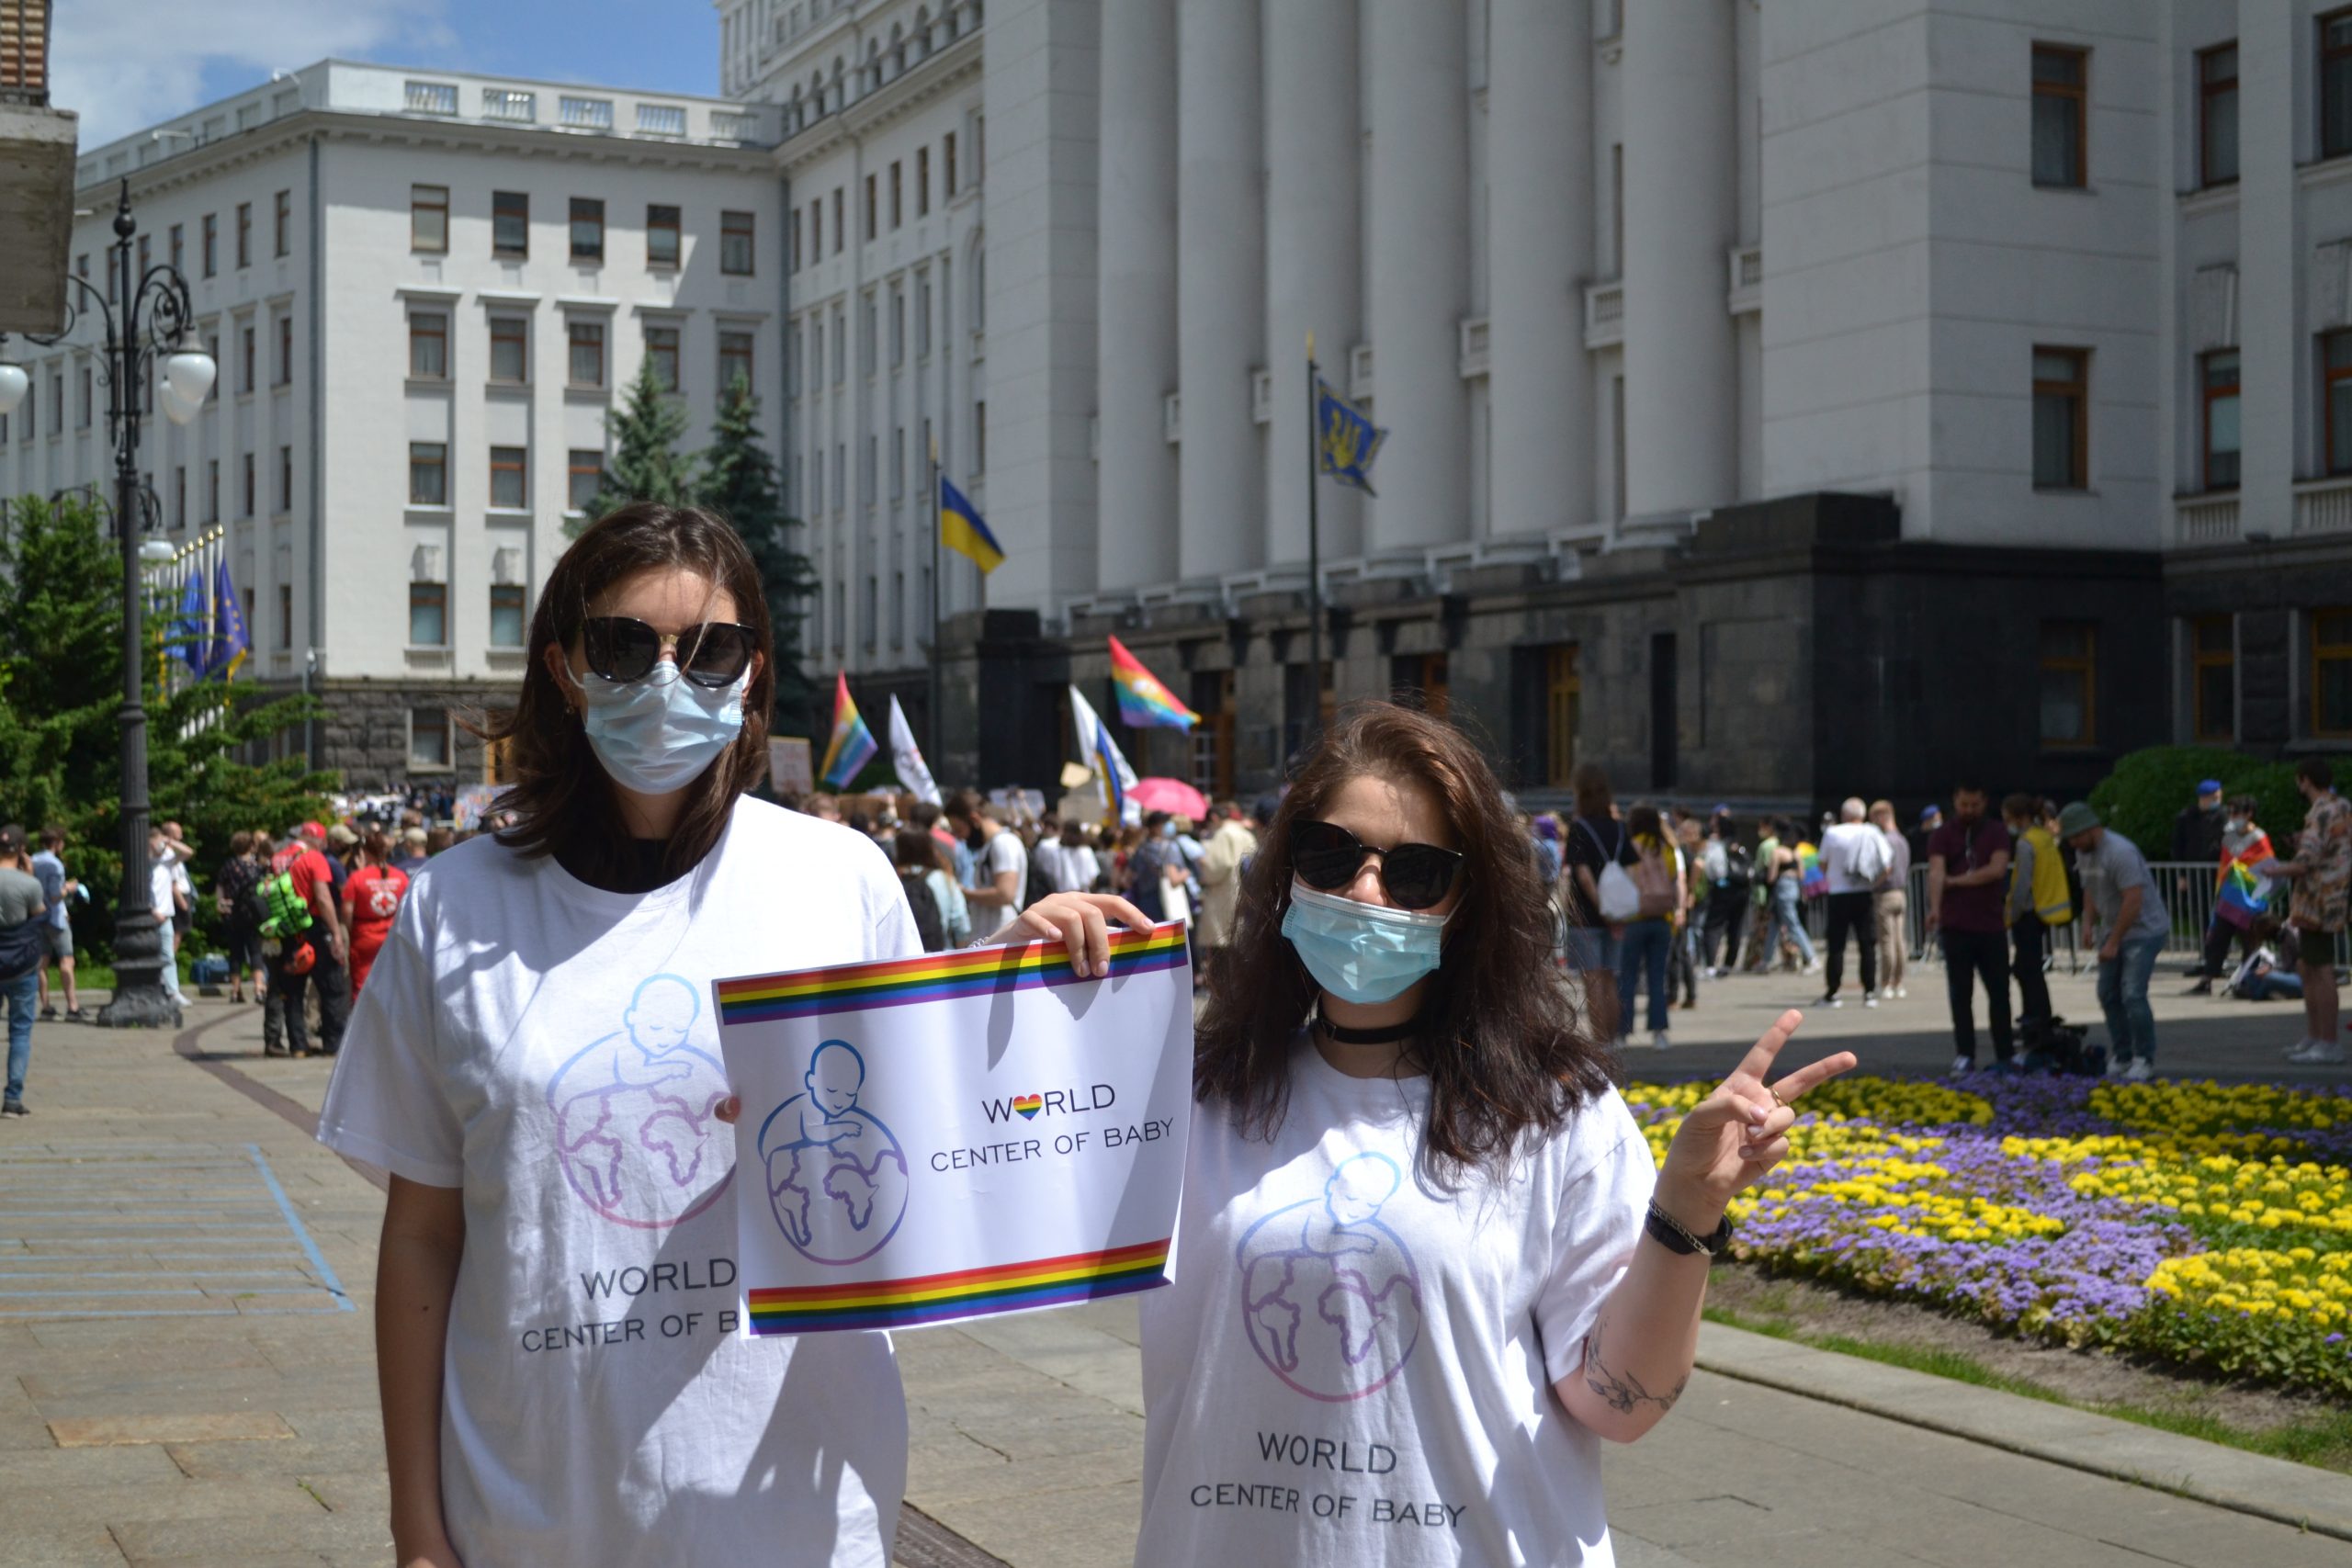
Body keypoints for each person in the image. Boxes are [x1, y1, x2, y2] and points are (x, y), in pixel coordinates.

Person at [958, 703, 1853, 1565]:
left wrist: (1686, 1213)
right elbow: (968, 1200)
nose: (1365, 889)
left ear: (1468, 903)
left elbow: (1618, 1403)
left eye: (1415, 871)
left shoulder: (1552, 1111)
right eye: (1330, 853)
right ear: (1285, 875)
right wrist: (990, 1005)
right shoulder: (1186, 1096)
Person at [317, 502, 935, 1567]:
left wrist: (1024, 989)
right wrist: (415, 1524)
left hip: (788, 1510)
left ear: (751, 671)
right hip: (531, 1508)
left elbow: (929, 1171)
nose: (667, 681)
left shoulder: (839, 883)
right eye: (623, 645)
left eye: (710, 651)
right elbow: (423, 1232)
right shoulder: (453, 909)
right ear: (563, 666)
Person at [2058, 802, 2168, 1083]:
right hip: (2113, 930)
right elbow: (2091, 890)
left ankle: (2144, 1057)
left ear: (2089, 829)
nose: (2072, 844)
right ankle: (2123, 1055)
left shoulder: (2120, 852)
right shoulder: (2085, 853)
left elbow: (2133, 900)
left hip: (2144, 930)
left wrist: (2114, 941)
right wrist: (2087, 924)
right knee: (2108, 992)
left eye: (2074, 838)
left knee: (2132, 993)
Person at [2259, 757, 2352, 1066]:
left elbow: (2307, 861)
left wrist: (2273, 871)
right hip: (2331, 897)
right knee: (2306, 966)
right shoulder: (2341, 806)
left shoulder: (2320, 812)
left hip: (2318, 899)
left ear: (2305, 780)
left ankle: (2327, 1042)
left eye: (2299, 780)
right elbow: (2330, 848)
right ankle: (2316, 1038)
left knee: (2320, 970)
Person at [1926, 783, 2015, 1075]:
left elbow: (1997, 870)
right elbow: (1937, 872)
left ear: (1984, 802)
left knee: (1999, 993)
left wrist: (1956, 881)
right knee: (1960, 994)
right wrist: (1935, 909)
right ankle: (1965, 1053)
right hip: (1955, 926)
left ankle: (2005, 1053)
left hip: (1990, 926)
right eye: (1964, 805)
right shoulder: (1942, 834)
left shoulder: (1997, 831)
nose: (1969, 810)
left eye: (1975, 805)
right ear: (1955, 801)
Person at [261, 823, 348, 1058]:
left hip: (287, 929)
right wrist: (336, 932)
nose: (324, 845)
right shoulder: (314, 858)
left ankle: (298, 1045)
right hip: (315, 926)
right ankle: (334, 1043)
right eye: (322, 841)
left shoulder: (278, 858)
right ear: (315, 839)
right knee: (332, 987)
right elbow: (322, 897)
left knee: (292, 990)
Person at [1562, 763, 1636, 1032]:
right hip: (1617, 914)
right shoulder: (1618, 827)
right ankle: (1613, 1041)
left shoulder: (1579, 828)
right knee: (1609, 979)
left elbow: (1582, 874)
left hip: (1587, 915)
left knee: (1591, 979)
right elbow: (1629, 870)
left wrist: (1601, 907)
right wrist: (1618, 909)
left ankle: (1601, 1044)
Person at [2187, 795, 2273, 996]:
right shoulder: (2229, 835)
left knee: (2249, 941)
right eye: (2231, 812)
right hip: (2229, 896)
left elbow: (2264, 864)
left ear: (2249, 814)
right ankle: (2207, 979)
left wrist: (2240, 866)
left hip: (2250, 898)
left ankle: (2246, 980)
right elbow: (2225, 862)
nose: (2233, 817)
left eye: (2237, 813)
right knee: (2218, 938)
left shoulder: (2259, 837)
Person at [2003, 792, 2072, 1043]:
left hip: (2028, 912)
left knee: (2027, 969)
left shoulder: (2026, 842)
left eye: (2007, 817)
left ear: (2017, 817)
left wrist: (2012, 912)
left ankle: (2035, 1018)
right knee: (2028, 968)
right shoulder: (2044, 837)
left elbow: (2022, 883)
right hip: (2042, 910)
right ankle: (2037, 1016)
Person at [1614, 804, 1683, 1048]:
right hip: (1661, 919)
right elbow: (1674, 881)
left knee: (1628, 977)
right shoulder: (1666, 848)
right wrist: (1679, 909)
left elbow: (1624, 881)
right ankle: (1659, 1033)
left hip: (1635, 919)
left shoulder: (1631, 847)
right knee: (1657, 977)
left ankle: (1622, 1033)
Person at [1818, 798, 1887, 1008]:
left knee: (1836, 944)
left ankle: (1833, 992)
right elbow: (1887, 864)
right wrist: (1874, 884)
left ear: (1843, 814)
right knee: (1867, 944)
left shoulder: (1833, 833)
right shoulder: (1872, 832)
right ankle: (1869, 992)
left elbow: (1822, 863)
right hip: (1863, 893)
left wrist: (1833, 878)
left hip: (1838, 894)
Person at [0, 826, 46, 1116]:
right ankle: (12, 1099)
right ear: (21, 850)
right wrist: (29, 875)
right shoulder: (29, 885)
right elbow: (39, 917)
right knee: (19, 1031)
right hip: (20, 965)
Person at [340, 831, 411, 1000]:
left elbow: (347, 913)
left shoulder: (357, 879)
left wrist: (348, 935)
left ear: (364, 852)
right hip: (393, 936)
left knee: (362, 986)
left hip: (364, 938)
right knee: (393, 982)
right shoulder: (401, 877)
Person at [1194, 801, 1257, 991]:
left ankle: (1221, 984)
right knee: (1239, 939)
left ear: (1214, 818)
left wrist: (1203, 871)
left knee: (1220, 941)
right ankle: (1240, 982)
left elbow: (1216, 866)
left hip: (1223, 892)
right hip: (1244, 890)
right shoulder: (1245, 833)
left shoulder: (1222, 834)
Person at [29, 826, 81, 1021]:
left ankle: (46, 1005)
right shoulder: (55, 865)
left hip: (37, 917)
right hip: (56, 919)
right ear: (57, 843)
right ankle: (72, 1006)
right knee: (67, 960)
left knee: (41, 962)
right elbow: (55, 895)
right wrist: (68, 888)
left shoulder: (33, 860)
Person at [955, 791, 1029, 928]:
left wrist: (965, 893)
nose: (960, 837)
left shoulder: (1003, 843)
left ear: (975, 819)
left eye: (959, 830)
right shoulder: (992, 844)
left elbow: (1005, 893)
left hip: (1000, 935)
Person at [213, 830, 266, 1006]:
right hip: (252, 915)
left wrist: (221, 904)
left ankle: (235, 991)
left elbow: (220, 888)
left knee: (235, 953)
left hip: (233, 914)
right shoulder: (256, 867)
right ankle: (259, 987)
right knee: (255, 951)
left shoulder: (228, 866)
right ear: (251, 846)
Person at [1868, 800, 1911, 999]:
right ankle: (1899, 982)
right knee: (1899, 941)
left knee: (1887, 941)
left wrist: (1874, 884)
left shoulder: (1885, 840)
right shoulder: (1902, 840)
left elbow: (1886, 868)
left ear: (1882, 816)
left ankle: (1885, 983)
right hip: (1901, 893)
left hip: (1885, 893)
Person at [1699, 811, 1749, 976]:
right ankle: (1729, 964)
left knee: (1712, 927)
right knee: (1736, 927)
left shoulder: (1717, 845)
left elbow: (1714, 868)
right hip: (1742, 890)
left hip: (1723, 890)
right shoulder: (1738, 844)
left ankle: (1711, 965)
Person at [149, 825, 192, 1011]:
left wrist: (169, 842)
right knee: (152, 955)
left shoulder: (166, 861)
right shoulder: (145, 864)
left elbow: (188, 852)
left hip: (166, 915)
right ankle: (159, 989)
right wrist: (152, 911)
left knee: (168, 955)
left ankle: (173, 992)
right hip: (152, 915)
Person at [893, 829, 951, 951]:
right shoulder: (942, 878)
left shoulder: (892, 877)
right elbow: (960, 923)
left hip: (903, 956)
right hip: (939, 953)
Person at [1672, 815, 1706, 1010]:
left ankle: (1677, 996)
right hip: (1685, 905)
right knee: (1682, 951)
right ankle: (1689, 995)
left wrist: (1689, 892)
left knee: (1679, 952)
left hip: (1680, 906)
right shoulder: (1688, 850)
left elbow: (1697, 867)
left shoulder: (1683, 851)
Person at [1032, 816, 1103, 897]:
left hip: (1065, 895)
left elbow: (1053, 876)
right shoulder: (1086, 851)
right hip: (1083, 894)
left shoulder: (1059, 852)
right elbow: (1093, 877)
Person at [2172, 777, 2228, 868]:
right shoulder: (2187, 817)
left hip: (2219, 869)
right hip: (2194, 869)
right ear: (2203, 798)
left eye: (2219, 798)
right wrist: (2181, 874)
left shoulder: (2224, 814)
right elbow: (2178, 846)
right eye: (2215, 798)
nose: (2218, 802)